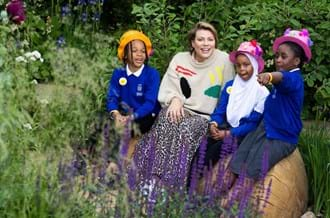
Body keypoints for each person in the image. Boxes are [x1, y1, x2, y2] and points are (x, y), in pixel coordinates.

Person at [133, 21, 235, 189]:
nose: (206, 44)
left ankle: (171, 185)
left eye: (210, 39)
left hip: (205, 116)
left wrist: (217, 121)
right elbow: (167, 88)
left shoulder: (224, 60)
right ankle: (151, 179)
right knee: (167, 119)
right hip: (180, 107)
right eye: (201, 40)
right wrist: (174, 99)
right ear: (192, 43)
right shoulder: (180, 59)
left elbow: (228, 93)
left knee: (186, 129)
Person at [226, 28, 313, 198]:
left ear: (296, 61)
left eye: (283, 56)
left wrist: (269, 77)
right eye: (277, 56)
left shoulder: (294, 79)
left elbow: (281, 77)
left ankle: (224, 209)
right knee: (235, 164)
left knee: (251, 172)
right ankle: (208, 202)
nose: (278, 60)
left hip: (281, 137)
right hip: (264, 129)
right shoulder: (285, 77)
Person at [202, 40, 269, 168]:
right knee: (203, 145)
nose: (242, 69)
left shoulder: (262, 93)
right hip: (226, 126)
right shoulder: (230, 86)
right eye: (238, 65)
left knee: (216, 150)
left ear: (254, 66)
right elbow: (220, 111)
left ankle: (198, 184)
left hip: (244, 134)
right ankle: (187, 184)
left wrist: (228, 134)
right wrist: (213, 124)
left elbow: (252, 124)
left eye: (246, 65)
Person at [106, 30, 161, 135]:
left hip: (144, 115)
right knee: (101, 122)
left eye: (143, 51)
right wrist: (116, 114)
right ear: (125, 54)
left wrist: (130, 118)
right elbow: (112, 97)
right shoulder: (118, 73)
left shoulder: (152, 74)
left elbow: (149, 103)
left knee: (130, 129)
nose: (139, 54)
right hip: (123, 114)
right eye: (134, 51)